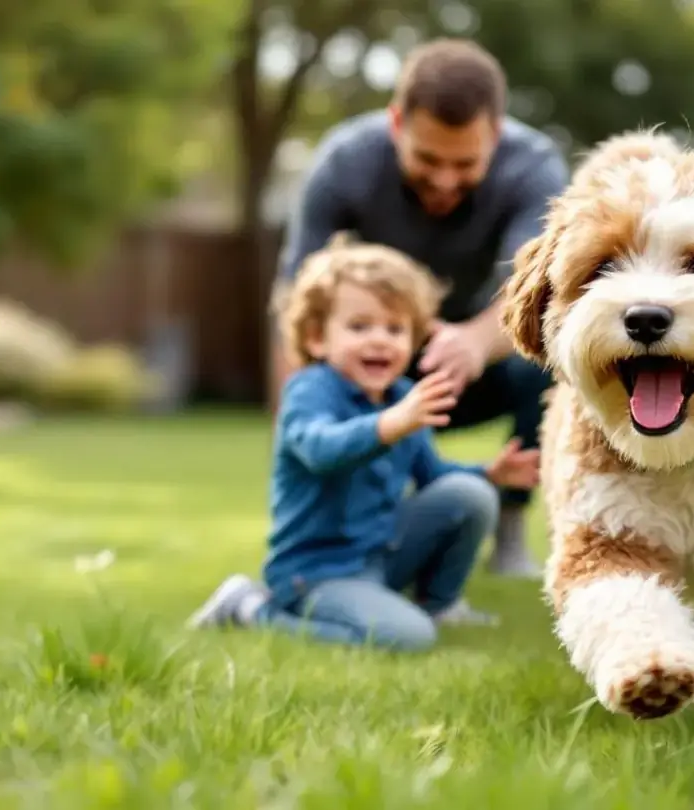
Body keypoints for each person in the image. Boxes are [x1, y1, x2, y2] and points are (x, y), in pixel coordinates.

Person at [270, 38, 570, 578]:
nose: (445, 181)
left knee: (549, 358)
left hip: (477, 361)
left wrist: (473, 342)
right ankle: (356, 533)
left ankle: (506, 530)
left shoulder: (535, 169)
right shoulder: (345, 162)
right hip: (372, 367)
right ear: (396, 124)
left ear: (495, 137)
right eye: (427, 159)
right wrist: (294, 421)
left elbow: (539, 291)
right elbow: (296, 301)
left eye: (465, 163)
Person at [187, 235, 541, 650]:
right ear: (318, 338)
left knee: (470, 494)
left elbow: (432, 475)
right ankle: (250, 608)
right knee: (408, 639)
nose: (379, 339)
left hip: (382, 556)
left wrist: (490, 472)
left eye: (395, 328)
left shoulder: (401, 396)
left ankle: (439, 604)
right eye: (359, 326)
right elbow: (320, 450)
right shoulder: (309, 391)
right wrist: (390, 424)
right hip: (317, 572)